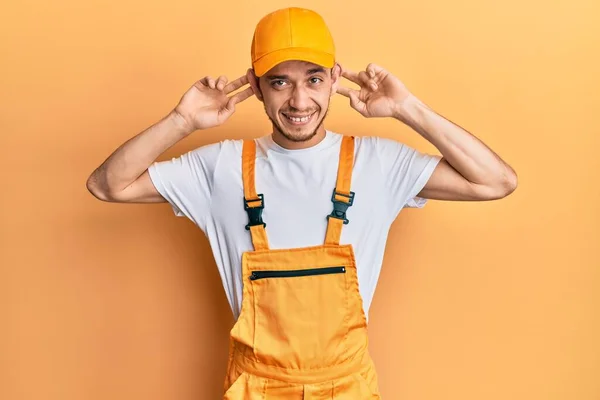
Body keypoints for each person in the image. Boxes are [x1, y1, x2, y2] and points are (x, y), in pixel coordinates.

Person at [86, 6, 517, 399]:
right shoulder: (221, 167)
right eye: (280, 82)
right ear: (255, 86)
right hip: (255, 390)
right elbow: (108, 185)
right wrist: (181, 121)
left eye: (313, 79)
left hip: (349, 388)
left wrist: (408, 108)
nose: (298, 101)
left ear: (334, 78)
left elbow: (495, 181)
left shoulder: (378, 163)